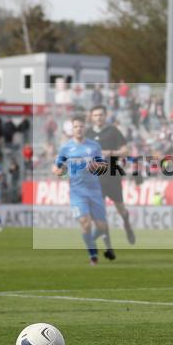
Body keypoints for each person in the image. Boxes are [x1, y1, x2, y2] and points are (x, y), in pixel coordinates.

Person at [53, 115, 115, 265]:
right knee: (85, 223)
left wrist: (94, 166)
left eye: (81, 126)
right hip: (77, 192)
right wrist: (59, 171)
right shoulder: (66, 148)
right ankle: (93, 255)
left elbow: (103, 166)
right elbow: (57, 167)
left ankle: (90, 240)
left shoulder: (94, 146)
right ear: (72, 129)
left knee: (102, 226)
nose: (79, 129)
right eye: (76, 126)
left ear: (85, 128)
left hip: (94, 191)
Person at [88, 105, 136, 244]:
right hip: (95, 178)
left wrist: (109, 153)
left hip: (112, 175)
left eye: (100, 115)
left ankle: (126, 224)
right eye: (95, 115)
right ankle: (108, 245)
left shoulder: (113, 131)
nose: (98, 117)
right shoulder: (88, 133)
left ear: (105, 115)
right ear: (91, 117)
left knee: (120, 207)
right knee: (100, 212)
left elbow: (125, 151)